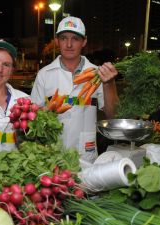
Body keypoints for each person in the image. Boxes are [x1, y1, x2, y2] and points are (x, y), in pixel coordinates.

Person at [30, 16, 119, 163]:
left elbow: (113, 115)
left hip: (85, 151)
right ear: (57, 41)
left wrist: (109, 83)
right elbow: (34, 117)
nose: (69, 44)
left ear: (84, 42)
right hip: (52, 153)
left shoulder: (98, 73)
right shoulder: (44, 74)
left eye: (75, 39)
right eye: (64, 38)